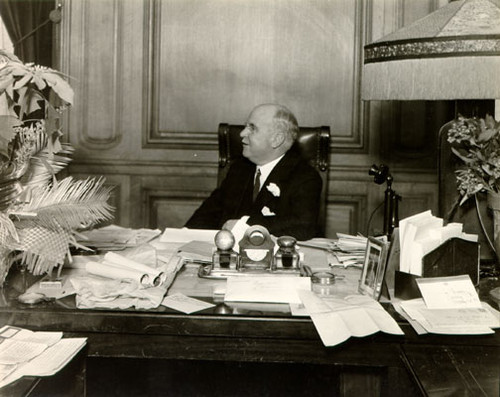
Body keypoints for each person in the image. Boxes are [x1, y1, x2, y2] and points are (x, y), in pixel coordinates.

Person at [185, 103, 322, 241]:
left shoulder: (305, 177)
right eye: (246, 126)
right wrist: (183, 237)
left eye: (252, 128)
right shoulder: (239, 169)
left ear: (276, 139)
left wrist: (244, 227)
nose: (242, 133)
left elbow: (303, 227)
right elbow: (208, 213)